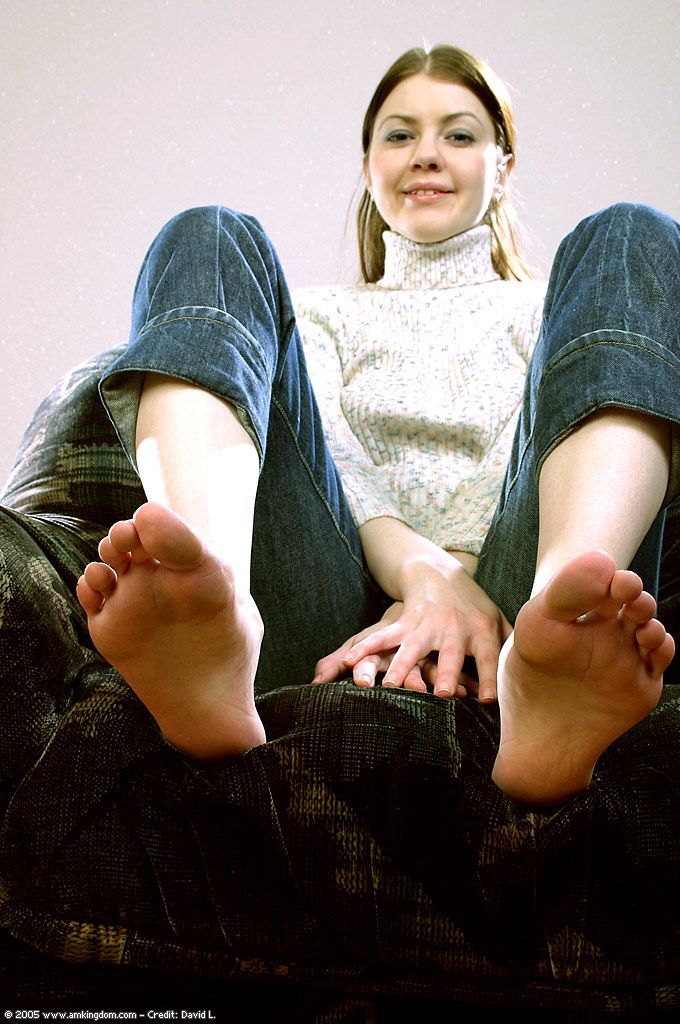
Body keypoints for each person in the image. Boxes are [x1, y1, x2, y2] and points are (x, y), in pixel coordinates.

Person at [72, 44, 680, 806]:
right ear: (368, 168)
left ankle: (566, 635)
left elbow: (526, 447)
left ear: (502, 169)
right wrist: (422, 577)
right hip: (330, 605)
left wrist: (459, 585)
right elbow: (339, 460)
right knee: (209, 236)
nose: (426, 153)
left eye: (458, 134)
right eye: (400, 135)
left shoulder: (564, 308)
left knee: (631, 237)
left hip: (516, 602)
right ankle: (212, 609)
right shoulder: (312, 317)